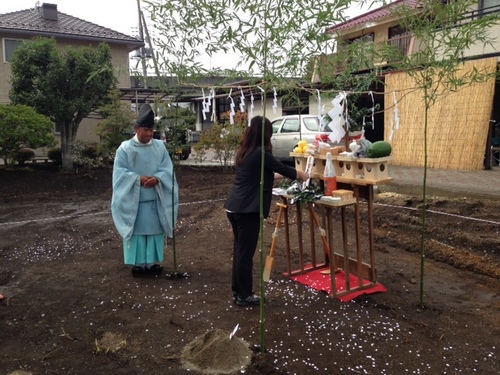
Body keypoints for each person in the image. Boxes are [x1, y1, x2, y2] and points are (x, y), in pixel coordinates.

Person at [224, 116, 309, 306]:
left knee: (240, 252)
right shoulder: (262, 153)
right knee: (245, 254)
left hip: (234, 206)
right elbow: (280, 167)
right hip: (247, 210)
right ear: (266, 134)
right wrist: (300, 174)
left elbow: (268, 172)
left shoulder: (247, 151)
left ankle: (238, 292)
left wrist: (289, 176)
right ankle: (245, 295)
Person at [111, 103, 179, 277]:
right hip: (135, 200)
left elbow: (167, 169)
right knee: (138, 233)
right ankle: (139, 264)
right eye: (145, 130)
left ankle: (152, 262)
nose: (149, 134)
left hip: (156, 197)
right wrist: (137, 179)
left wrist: (158, 178)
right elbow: (120, 173)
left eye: (151, 130)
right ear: (136, 129)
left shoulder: (159, 146)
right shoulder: (125, 149)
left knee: (155, 232)